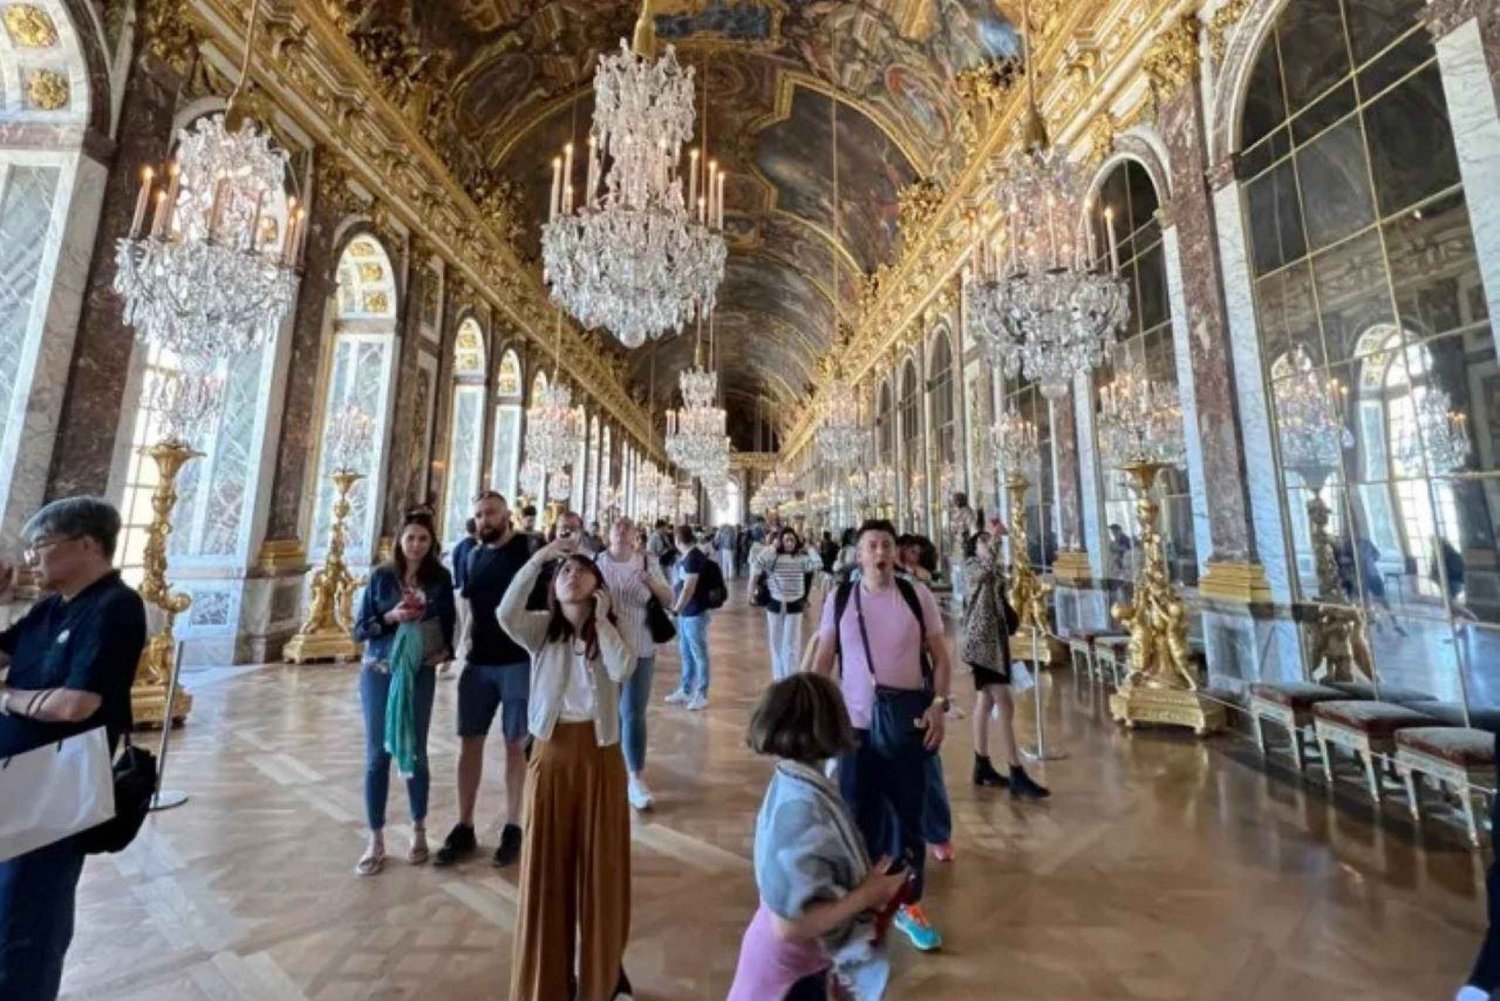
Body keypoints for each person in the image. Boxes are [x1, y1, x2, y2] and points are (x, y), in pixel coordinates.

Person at [0, 497, 147, 1001]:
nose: (31, 558)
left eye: (41, 545)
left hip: (58, 786)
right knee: (7, 904)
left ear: (86, 545)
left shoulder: (116, 607)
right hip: (18, 779)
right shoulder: (50, 607)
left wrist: (7, 699)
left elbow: (76, 704)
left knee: (29, 918)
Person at [499, 540, 636, 1001]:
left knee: (602, 870)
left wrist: (602, 620)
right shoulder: (540, 631)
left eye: (581, 571)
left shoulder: (611, 631)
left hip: (601, 756)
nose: (571, 577)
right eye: (564, 573)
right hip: (553, 754)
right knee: (547, 870)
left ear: (598, 585)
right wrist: (539, 559)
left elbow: (623, 669)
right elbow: (506, 613)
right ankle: (547, 983)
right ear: (552, 588)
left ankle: (603, 980)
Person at [812, 519, 952, 953]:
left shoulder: (916, 595)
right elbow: (824, 655)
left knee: (909, 816)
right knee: (858, 814)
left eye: (886, 545)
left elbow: (940, 656)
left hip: (906, 723)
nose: (880, 552)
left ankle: (908, 903)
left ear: (895, 552)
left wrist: (938, 704)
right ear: (859, 555)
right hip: (854, 726)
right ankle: (862, 903)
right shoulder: (839, 599)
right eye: (871, 545)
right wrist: (813, 709)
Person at [727, 674, 905, 1001]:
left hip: (790, 963)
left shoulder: (793, 782)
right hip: (787, 978)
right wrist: (866, 895)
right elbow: (790, 927)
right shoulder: (802, 809)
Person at [350, 513, 456, 875]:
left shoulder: (440, 579)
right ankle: (375, 838)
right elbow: (359, 629)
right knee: (376, 755)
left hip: (419, 671)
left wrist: (444, 652)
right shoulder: (381, 577)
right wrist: (391, 618)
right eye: (410, 538)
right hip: (379, 671)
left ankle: (418, 828)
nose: (416, 545)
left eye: (423, 538)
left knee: (416, 750)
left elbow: (448, 623)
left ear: (431, 542)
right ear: (400, 540)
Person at [434, 491, 535, 869]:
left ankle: (513, 825)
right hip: (477, 662)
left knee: (515, 745)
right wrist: (452, 649)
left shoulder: (527, 550)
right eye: (478, 515)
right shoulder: (468, 554)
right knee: (469, 743)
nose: (484, 520)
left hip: (517, 662)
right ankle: (465, 824)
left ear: (507, 514)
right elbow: (464, 607)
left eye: (491, 513)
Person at [962, 525, 1049, 800]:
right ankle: (1015, 770)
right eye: (982, 541)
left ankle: (982, 763)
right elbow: (986, 569)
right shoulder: (971, 569)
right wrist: (996, 538)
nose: (988, 544)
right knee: (1004, 703)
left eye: (989, 540)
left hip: (995, 644)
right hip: (983, 647)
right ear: (973, 548)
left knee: (985, 701)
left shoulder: (991, 571)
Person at [595, 516, 674, 810]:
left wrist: (651, 583)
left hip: (641, 646)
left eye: (627, 526)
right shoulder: (596, 563)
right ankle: (607, 767)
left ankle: (635, 777)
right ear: (608, 533)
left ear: (635, 536)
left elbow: (669, 599)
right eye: (616, 525)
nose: (621, 528)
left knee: (633, 712)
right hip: (606, 648)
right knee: (606, 711)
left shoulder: (647, 562)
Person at [751, 528, 824, 682]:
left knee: (791, 644)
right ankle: (779, 678)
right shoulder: (773, 559)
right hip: (775, 604)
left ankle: (790, 678)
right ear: (780, 542)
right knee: (776, 644)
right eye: (786, 540)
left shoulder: (801, 559)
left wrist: (809, 548)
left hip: (794, 605)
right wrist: (772, 547)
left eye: (792, 540)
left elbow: (818, 565)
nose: (790, 543)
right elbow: (758, 564)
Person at [665, 525, 713, 710]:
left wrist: (676, 609)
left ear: (677, 540)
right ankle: (685, 690)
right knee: (686, 652)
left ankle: (701, 694)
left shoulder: (693, 558)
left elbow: (689, 588)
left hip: (695, 612)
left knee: (699, 654)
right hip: (687, 612)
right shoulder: (687, 556)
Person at [446, 516, 480, 679]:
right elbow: (470, 571)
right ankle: (466, 664)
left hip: (457, 589)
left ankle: (447, 663)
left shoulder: (459, 546)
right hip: (467, 592)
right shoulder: (473, 547)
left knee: (458, 628)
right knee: (468, 628)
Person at [946, 492, 978, 608]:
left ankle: (965, 600)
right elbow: (953, 528)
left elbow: (971, 527)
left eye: (956, 500)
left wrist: (964, 535)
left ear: (961, 500)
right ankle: (958, 598)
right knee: (957, 573)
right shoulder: (956, 512)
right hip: (957, 544)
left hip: (965, 545)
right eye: (954, 500)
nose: (954, 502)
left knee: (964, 572)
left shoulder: (968, 512)